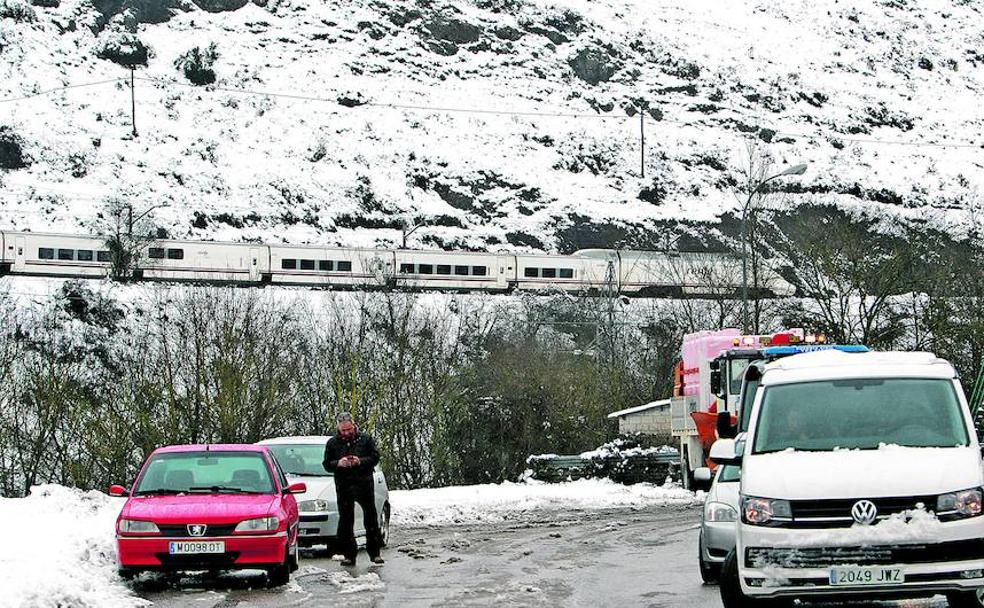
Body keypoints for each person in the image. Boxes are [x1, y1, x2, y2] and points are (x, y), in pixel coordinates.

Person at [322, 412, 385, 566]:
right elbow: (326, 464)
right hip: (344, 485)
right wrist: (338, 463)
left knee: (370, 518)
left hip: (364, 483)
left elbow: (375, 457)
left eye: (349, 430)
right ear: (338, 428)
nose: (347, 433)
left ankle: (374, 552)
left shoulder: (366, 439)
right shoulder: (332, 443)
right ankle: (349, 555)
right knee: (346, 521)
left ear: (354, 426)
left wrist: (360, 461)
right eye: (343, 431)